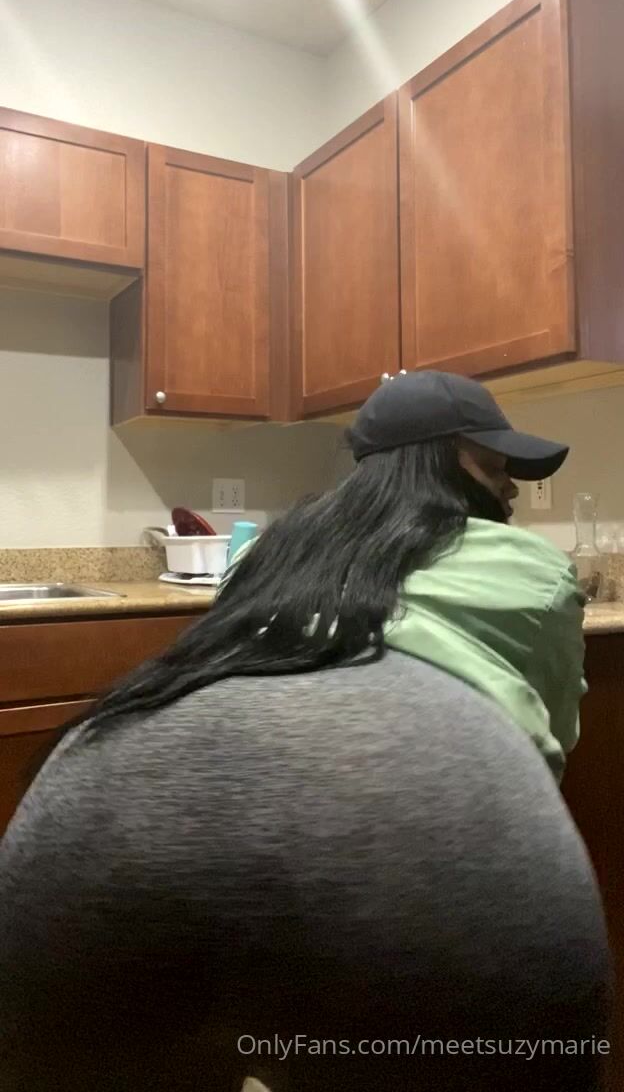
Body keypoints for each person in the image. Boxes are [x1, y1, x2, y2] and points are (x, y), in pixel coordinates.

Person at [0, 371, 609, 1091]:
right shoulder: (534, 566)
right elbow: (551, 745)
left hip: (98, 795)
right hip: (424, 829)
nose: (513, 489)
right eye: (499, 465)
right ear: (447, 459)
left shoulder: (275, 547)